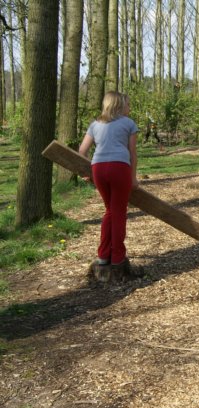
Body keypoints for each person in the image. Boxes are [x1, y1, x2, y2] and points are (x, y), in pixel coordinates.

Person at [79, 91, 142, 282]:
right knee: (118, 212)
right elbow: (132, 153)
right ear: (119, 105)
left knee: (109, 211)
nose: (129, 108)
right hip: (119, 168)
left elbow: (82, 151)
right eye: (127, 105)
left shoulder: (95, 125)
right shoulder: (129, 123)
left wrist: (86, 173)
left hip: (98, 168)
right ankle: (117, 257)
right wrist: (133, 178)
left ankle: (103, 255)